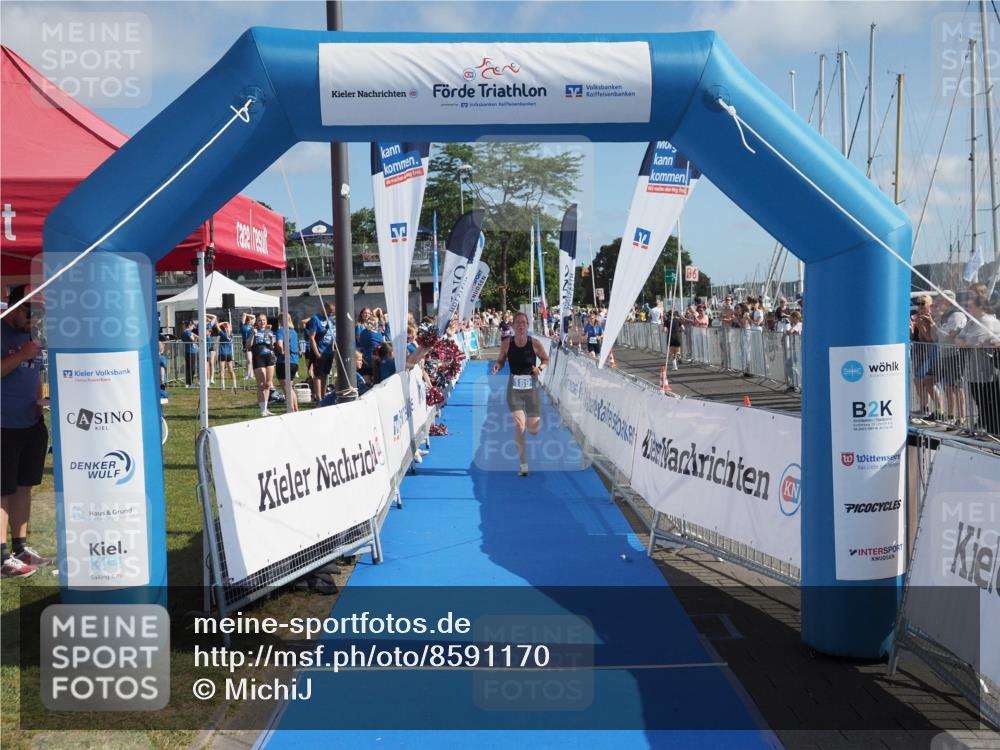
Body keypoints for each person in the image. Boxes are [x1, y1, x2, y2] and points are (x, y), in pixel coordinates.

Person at [1, 285, 51, 578]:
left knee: (24, 486)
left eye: (38, 312)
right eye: (28, 311)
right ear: (11, 304)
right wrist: (21, 354)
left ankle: (20, 547)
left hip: (30, 423)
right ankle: (2, 556)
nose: (33, 318)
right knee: (2, 491)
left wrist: (38, 400)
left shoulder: (32, 337)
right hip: (3, 424)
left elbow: (35, 371)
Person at [490, 311, 549, 477]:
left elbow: (546, 359)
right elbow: (501, 360)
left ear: (527, 326)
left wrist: (540, 369)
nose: (521, 325)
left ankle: (534, 426)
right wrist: (497, 366)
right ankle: (523, 463)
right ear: (513, 326)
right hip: (514, 389)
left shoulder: (535, 343)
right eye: (518, 323)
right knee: (519, 425)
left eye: (524, 322)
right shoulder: (507, 344)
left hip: (531, 389)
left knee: (533, 429)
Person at [957, 294, 1000, 436]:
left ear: (981, 307)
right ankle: (985, 428)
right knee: (979, 400)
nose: (967, 309)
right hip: (973, 368)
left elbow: (978, 341)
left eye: (970, 306)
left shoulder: (989, 321)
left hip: (988, 370)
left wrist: (967, 343)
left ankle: (993, 431)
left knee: (989, 401)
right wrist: (967, 342)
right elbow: (959, 339)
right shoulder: (971, 322)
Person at [245, 313, 277, 417]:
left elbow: (273, 346)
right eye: (260, 320)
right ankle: (262, 409)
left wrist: (272, 339)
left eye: (264, 320)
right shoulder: (253, 331)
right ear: (256, 322)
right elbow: (248, 345)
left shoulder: (270, 331)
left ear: (266, 321)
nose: (262, 322)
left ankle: (266, 408)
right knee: (261, 384)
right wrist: (253, 334)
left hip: (269, 358)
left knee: (268, 384)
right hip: (258, 358)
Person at [306, 302, 336, 404]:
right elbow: (311, 337)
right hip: (319, 350)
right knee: (318, 375)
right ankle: (318, 398)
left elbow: (332, 334)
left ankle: (324, 396)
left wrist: (333, 348)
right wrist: (317, 353)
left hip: (329, 352)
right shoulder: (315, 318)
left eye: (332, 312)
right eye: (330, 312)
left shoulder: (331, 319)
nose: (331, 314)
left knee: (325, 374)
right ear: (324, 309)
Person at [275, 314, 299, 413]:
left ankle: (291, 409)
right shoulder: (294, 332)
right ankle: (296, 408)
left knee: (286, 388)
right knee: (290, 387)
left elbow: (280, 345)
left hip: (284, 361)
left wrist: (281, 351)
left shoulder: (281, 331)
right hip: (294, 361)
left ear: (280, 321)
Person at [215, 320, 236, 390]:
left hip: (222, 353)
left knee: (222, 371)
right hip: (229, 354)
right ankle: (234, 384)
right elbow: (229, 328)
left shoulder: (223, 334)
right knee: (231, 370)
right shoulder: (231, 334)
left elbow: (217, 325)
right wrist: (227, 324)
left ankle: (222, 386)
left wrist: (223, 323)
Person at [181, 320, 198, 387]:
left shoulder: (185, 332)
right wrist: (196, 340)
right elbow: (193, 340)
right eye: (193, 326)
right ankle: (190, 383)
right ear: (190, 325)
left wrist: (196, 336)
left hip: (187, 351)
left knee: (188, 368)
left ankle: (188, 383)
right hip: (191, 352)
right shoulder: (188, 332)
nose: (194, 327)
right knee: (192, 368)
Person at [240, 313, 255, 381]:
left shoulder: (251, 326)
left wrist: (250, 317)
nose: (249, 320)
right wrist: (247, 316)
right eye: (248, 319)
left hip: (251, 344)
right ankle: (249, 375)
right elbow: (244, 314)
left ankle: (249, 375)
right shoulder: (242, 325)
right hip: (245, 344)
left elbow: (254, 317)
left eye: (250, 320)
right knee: (249, 360)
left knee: (250, 360)